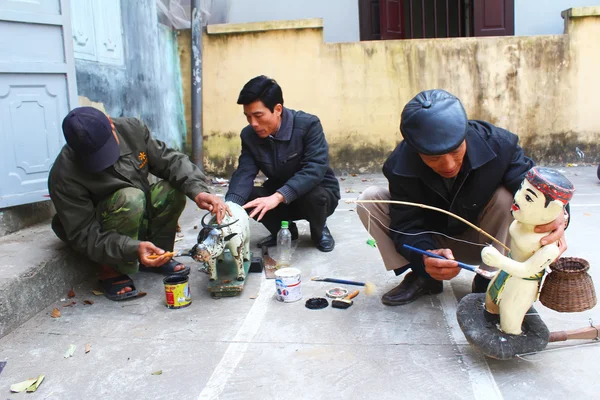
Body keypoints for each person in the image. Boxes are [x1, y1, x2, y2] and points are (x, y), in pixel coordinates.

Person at [357, 89, 568, 306]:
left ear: (464, 133)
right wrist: (425, 258)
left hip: (490, 241)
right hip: (436, 243)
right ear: (415, 149)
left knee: (509, 197)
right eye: (434, 157)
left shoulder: (499, 145)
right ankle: (425, 276)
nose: (448, 165)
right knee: (370, 200)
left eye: (456, 150)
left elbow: (539, 190)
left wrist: (560, 217)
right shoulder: (399, 165)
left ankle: (490, 278)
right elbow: (406, 225)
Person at [48, 107, 229, 301]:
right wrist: (131, 248)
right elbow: (84, 234)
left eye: (106, 147)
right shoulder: (63, 175)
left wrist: (199, 190)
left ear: (111, 124)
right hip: (102, 230)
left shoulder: (131, 129)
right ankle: (112, 268)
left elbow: (170, 161)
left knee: (171, 191)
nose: (104, 161)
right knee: (130, 198)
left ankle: (156, 254)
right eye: (95, 157)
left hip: (137, 210)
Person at [225, 75, 340, 252]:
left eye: (258, 115)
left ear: (277, 109)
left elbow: (315, 169)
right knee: (246, 197)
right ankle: (284, 231)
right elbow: (244, 173)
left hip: (316, 193)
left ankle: (319, 230)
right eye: (248, 116)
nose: (253, 123)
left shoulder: (309, 125)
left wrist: (278, 196)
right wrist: (230, 208)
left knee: (316, 196)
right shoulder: (249, 135)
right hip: (280, 196)